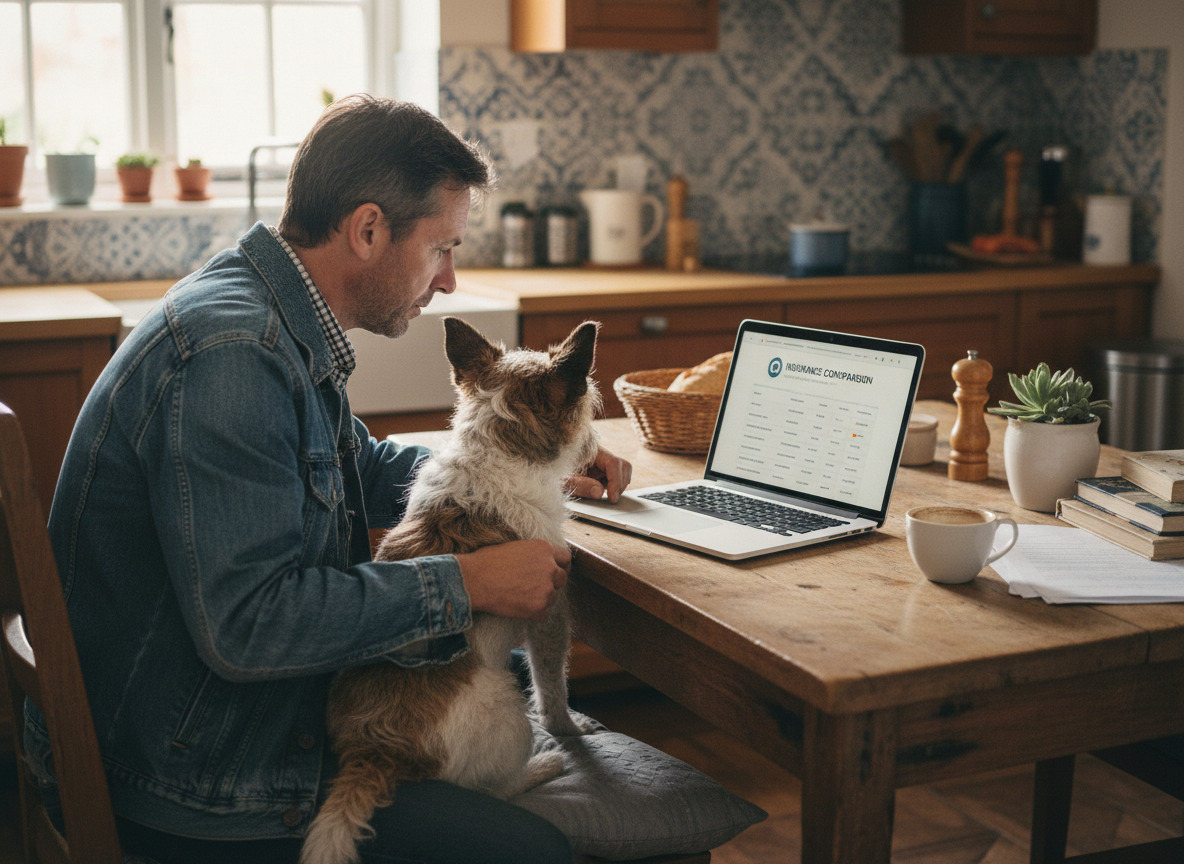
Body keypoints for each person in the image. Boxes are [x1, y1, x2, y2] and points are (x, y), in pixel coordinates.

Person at [27, 95, 632, 864]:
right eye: (441, 248)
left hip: (196, 725)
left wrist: (518, 472)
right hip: (194, 779)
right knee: (536, 852)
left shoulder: (270, 315)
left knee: (496, 671)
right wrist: (469, 581)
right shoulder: (234, 354)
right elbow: (251, 625)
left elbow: (360, 466)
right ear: (369, 230)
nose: (448, 281)